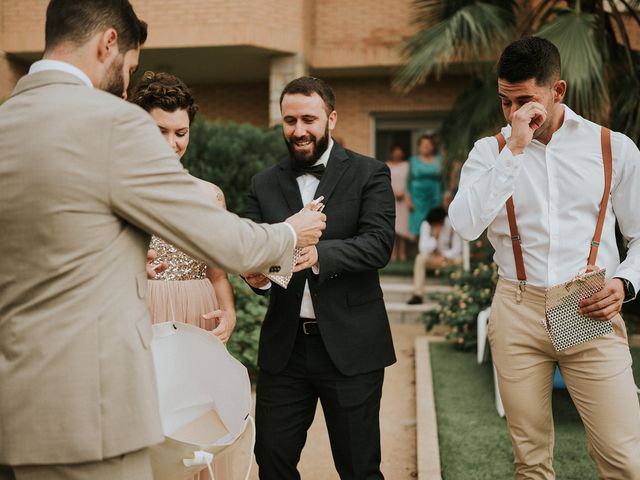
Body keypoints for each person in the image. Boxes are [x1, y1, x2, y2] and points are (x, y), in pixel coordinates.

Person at [0, 1, 325, 479]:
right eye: (128, 67)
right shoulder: (110, 122)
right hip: (90, 418)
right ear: (108, 42)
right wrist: (287, 233)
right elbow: (214, 236)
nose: (125, 83)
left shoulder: (8, 122)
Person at [449, 37, 640, 479]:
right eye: (505, 101)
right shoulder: (489, 153)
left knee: (625, 458)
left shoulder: (614, 148)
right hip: (516, 309)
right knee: (531, 463)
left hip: (587, 306)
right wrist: (514, 149)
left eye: (525, 101)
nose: (514, 113)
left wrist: (625, 283)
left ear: (559, 92)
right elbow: (464, 225)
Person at [242, 76, 396, 480]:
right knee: (271, 458)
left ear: (331, 118)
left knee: (359, 467)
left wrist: (318, 254)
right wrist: (254, 276)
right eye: (289, 120)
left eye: (308, 119)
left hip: (352, 347)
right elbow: (252, 248)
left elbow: (379, 244)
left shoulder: (369, 172)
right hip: (285, 349)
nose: (298, 130)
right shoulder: (263, 183)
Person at [130, 71, 240, 480]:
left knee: (194, 424)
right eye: (160, 130)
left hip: (196, 315)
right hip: (142, 314)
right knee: (148, 423)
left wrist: (227, 313)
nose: (172, 143)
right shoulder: (118, 187)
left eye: (180, 132)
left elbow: (218, 273)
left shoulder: (208, 194)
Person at [407, 206, 461, 305]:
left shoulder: (451, 224)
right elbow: (423, 249)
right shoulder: (426, 225)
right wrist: (435, 238)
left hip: (447, 258)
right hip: (432, 258)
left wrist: (444, 256)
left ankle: (459, 295)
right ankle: (417, 294)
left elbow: (457, 249)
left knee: (460, 260)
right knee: (420, 259)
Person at [406, 134, 443, 237]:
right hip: (417, 198)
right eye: (424, 145)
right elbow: (407, 182)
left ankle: (434, 250)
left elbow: (443, 179)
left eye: (429, 145)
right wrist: (407, 198)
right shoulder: (413, 161)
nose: (426, 147)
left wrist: (446, 194)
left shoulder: (439, 160)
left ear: (432, 146)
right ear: (419, 146)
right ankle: (420, 251)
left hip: (435, 196)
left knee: (435, 223)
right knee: (418, 224)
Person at [386, 144, 412, 261]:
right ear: (392, 152)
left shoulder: (407, 165)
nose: (397, 154)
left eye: (399, 151)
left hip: (404, 200)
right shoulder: (386, 165)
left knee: (403, 227)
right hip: (391, 199)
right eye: (395, 151)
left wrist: (404, 194)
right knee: (393, 227)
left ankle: (402, 253)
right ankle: (393, 254)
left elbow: (410, 182)